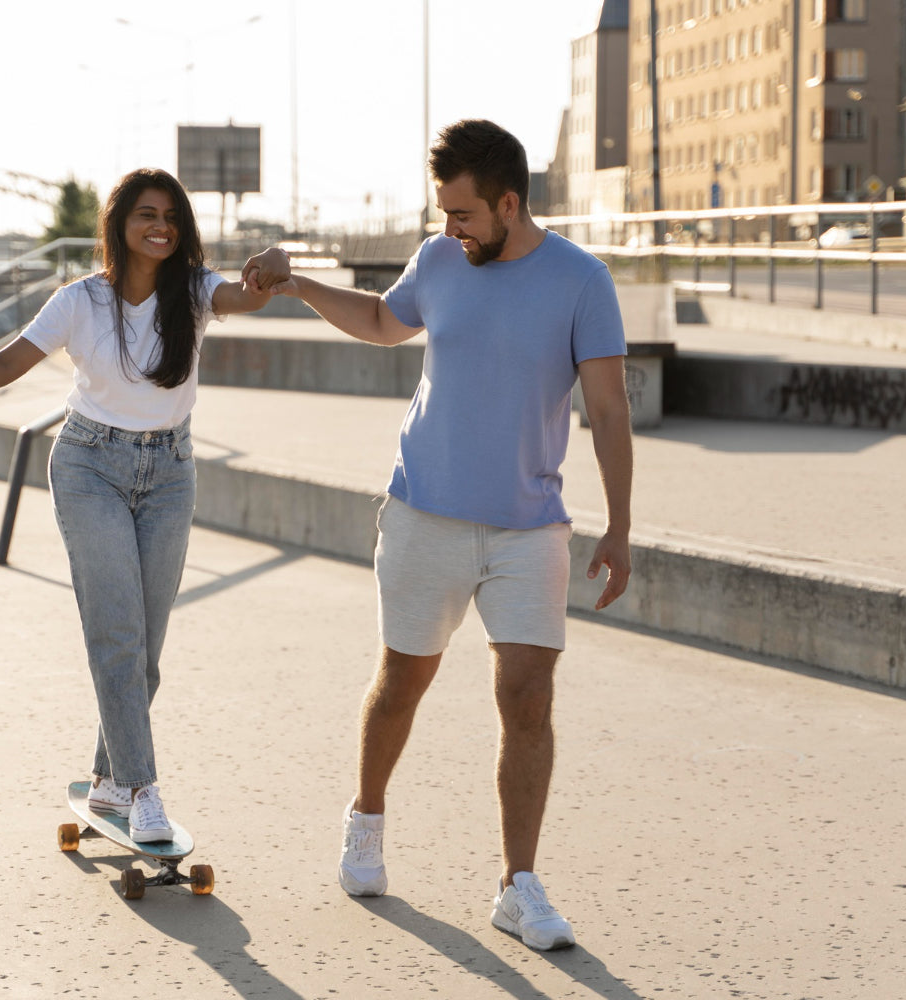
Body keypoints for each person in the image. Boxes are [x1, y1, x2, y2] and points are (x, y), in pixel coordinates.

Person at [262, 120, 633, 952]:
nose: (448, 228)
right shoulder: (438, 259)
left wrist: (621, 524)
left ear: (508, 202)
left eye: (462, 214)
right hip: (424, 510)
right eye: (442, 212)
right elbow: (386, 322)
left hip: (529, 528)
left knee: (528, 699)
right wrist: (301, 287)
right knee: (401, 682)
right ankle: (366, 820)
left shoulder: (582, 281)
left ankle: (518, 884)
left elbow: (608, 412)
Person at [0, 168, 287, 842]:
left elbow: (245, 295)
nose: (160, 227)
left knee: (145, 651)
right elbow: (10, 360)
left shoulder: (194, 291)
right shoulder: (81, 301)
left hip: (170, 472)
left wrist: (272, 267)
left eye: (171, 218)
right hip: (89, 466)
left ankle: (106, 780)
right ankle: (143, 790)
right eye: (145, 214)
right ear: (119, 224)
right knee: (117, 636)